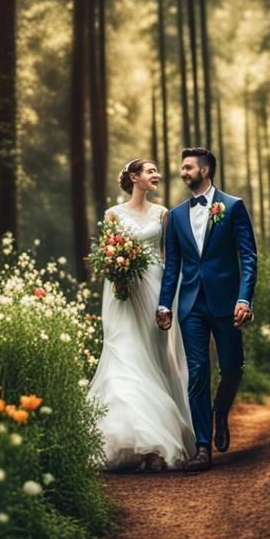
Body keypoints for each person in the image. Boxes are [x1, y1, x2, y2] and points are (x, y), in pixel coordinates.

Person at [88, 158, 195, 471]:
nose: (156, 175)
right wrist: (115, 267)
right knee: (123, 352)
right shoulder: (112, 214)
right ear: (134, 177)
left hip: (152, 287)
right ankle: (129, 441)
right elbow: (104, 252)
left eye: (156, 172)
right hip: (120, 291)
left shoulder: (162, 214)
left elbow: (165, 255)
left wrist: (168, 297)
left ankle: (155, 446)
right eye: (150, 171)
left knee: (154, 356)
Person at [157, 147, 258, 472]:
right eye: (182, 168)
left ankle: (220, 411)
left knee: (232, 367)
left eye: (188, 168)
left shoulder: (233, 207)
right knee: (198, 371)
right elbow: (173, 265)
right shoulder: (174, 216)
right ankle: (203, 447)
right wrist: (164, 303)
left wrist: (244, 299)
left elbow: (248, 257)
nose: (182, 172)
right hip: (191, 305)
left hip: (227, 303)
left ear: (205, 170)